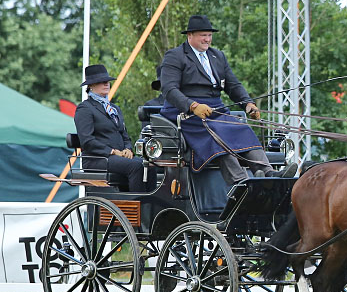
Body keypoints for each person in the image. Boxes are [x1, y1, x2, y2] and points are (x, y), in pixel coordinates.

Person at [159, 14, 277, 185]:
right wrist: (192, 106)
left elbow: (233, 84)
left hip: (216, 110)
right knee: (218, 136)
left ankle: (268, 172)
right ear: (189, 35)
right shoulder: (175, 56)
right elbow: (169, 89)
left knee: (241, 128)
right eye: (203, 35)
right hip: (186, 113)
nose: (207, 39)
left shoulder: (218, 56)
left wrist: (247, 103)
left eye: (209, 35)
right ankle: (241, 182)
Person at [74, 64, 152, 192]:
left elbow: (124, 134)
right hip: (97, 159)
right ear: (91, 86)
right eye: (101, 81)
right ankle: (136, 207)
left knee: (149, 165)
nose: (106, 84)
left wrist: (128, 149)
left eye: (107, 81)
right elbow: (87, 141)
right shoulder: (85, 109)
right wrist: (112, 151)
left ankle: (150, 206)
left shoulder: (115, 109)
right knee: (137, 167)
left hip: (118, 158)